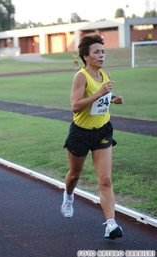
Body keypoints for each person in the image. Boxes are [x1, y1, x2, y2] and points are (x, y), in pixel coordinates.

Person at [61, 34, 124, 240]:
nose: (101, 55)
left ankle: (111, 224)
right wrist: (99, 94)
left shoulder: (104, 74)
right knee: (75, 175)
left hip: (102, 131)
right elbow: (76, 106)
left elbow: (103, 97)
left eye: (103, 51)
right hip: (80, 133)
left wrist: (113, 98)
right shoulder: (81, 77)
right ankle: (69, 195)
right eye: (96, 52)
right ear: (86, 56)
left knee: (105, 180)